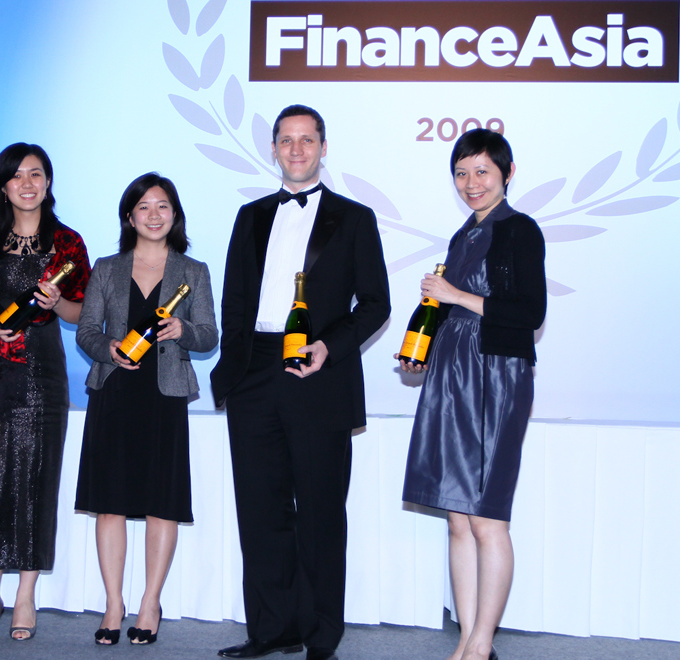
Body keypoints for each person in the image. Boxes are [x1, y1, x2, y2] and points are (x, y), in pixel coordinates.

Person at [211, 106, 391, 660]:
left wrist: (328, 347)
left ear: (323, 147)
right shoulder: (249, 216)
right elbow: (234, 300)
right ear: (273, 149)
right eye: (286, 140)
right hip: (255, 371)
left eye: (306, 140)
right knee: (260, 511)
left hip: (319, 373)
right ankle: (271, 630)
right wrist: (235, 368)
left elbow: (376, 303)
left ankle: (320, 636)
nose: (296, 150)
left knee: (319, 511)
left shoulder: (354, 218)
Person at [398, 128, 546, 660]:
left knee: (487, 517)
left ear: (508, 173)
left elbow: (530, 313)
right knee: (457, 518)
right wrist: (420, 347)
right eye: (461, 173)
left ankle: (482, 645)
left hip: (497, 376)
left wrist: (456, 295)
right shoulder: (463, 235)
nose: (471, 183)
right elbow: (446, 308)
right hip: (452, 374)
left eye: (482, 171)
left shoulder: (520, 230)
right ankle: (464, 641)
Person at [74, 173, 218, 646]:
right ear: (129, 216)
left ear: (175, 214)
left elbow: (209, 335)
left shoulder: (193, 270)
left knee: (162, 503)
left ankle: (150, 602)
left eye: (163, 206)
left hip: (164, 397)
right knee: (110, 504)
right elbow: (86, 332)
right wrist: (109, 348)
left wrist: (184, 331)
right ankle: (113, 604)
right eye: (144, 207)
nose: (154, 215)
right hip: (113, 393)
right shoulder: (106, 267)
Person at [0, 143, 90, 644]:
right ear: (3, 186)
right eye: (17, 176)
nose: (27, 183)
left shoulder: (67, 243)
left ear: (48, 182)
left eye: (36, 174)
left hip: (42, 371)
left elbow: (84, 312)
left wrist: (58, 305)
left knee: (36, 478)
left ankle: (27, 595)